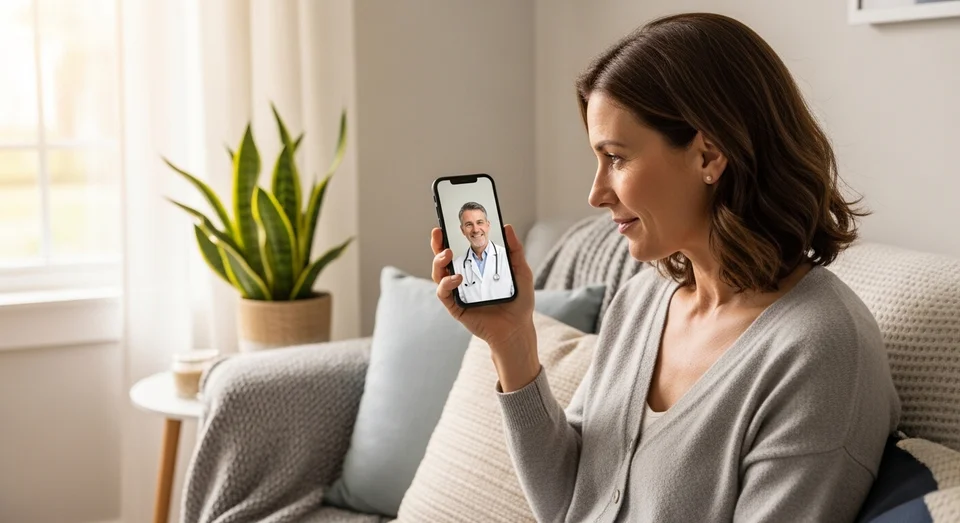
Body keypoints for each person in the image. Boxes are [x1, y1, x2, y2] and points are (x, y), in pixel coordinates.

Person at [429, 12, 900, 523]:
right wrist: (512, 341)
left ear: (708, 154)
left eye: (616, 158)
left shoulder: (821, 350)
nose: (596, 193)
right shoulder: (642, 302)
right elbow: (571, 504)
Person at [450, 201, 514, 303]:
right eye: (469, 225)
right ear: (462, 230)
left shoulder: (508, 257)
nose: (475, 229)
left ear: (488, 225)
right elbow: (460, 303)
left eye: (480, 222)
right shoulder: (457, 265)